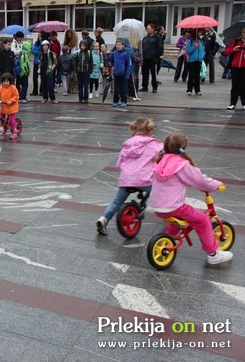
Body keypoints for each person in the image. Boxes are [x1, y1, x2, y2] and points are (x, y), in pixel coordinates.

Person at [150, 133, 233, 265]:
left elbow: (173, 181)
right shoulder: (181, 164)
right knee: (203, 220)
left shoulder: (161, 160)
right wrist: (216, 185)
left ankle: (169, 237)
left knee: (179, 215)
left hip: (157, 206)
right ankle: (213, 254)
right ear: (183, 148)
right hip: (173, 206)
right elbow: (199, 180)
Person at [95, 118, 162, 235]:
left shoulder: (128, 144)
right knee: (159, 193)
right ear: (150, 131)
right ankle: (169, 213)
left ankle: (103, 219)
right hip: (145, 180)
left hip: (126, 179)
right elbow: (164, 157)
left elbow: (119, 163)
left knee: (117, 202)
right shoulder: (155, 145)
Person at [224, 28, 245, 110]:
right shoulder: (236, 42)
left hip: (244, 67)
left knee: (244, 86)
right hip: (235, 66)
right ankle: (233, 103)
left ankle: (244, 103)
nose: (244, 34)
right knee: (235, 86)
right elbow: (226, 52)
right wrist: (233, 50)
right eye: (243, 32)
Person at [140, 24, 163, 93]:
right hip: (145, 58)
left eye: (149, 28)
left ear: (153, 29)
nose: (147, 30)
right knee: (145, 73)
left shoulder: (157, 37)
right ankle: (144, 86)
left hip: (153, 58)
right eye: (147, 28)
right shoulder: (145, 38)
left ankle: (154, 87)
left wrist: (157, 56)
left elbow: (160, 48)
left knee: (153, 73)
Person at [109, 38, 131, 108]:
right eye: (117, 45)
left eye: (119, 45)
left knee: (123, 89)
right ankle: (115, 101)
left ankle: (123, 101)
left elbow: (128, 65)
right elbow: (111, 61)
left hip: (123, 74)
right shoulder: (114, 53)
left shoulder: (126, 54)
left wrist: (127, 74)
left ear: (123, 45)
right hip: (116, 74)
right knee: (116, 89)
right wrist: (112, 66)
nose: (118, 46)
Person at [185, 29, 205, 96]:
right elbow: (187, 51)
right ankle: (189, 89)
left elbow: (203, 49)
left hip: (199, 60)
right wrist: (194, 47)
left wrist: (202, 56)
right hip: (191, 61)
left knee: (197, 76)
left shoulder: (201, 41)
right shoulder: (190, 41)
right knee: (191, 75)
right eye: (199, 32)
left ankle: (197, 90)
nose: (200, 33)